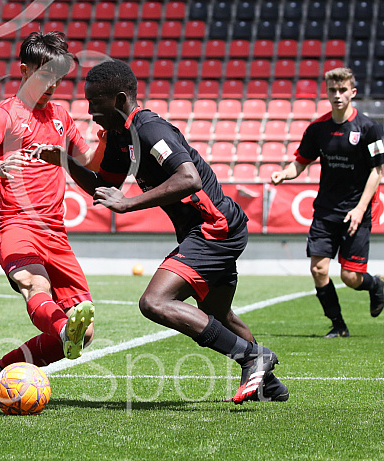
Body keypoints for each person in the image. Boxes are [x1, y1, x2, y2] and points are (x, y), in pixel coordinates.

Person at [34, 59, 287, 403]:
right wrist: (66, 162)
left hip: (214, 229)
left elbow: (188, 178)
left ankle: (252, 358)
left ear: (121, 99)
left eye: (95, 102)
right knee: (217, 315)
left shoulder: (150, 129)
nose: (90, 111)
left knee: (154, 302)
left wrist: (128, 204)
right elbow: (103, 186)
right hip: (206, 231)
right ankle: (269, 385)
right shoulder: (120, 138)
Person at [0, 32, 96, 388]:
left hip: (57, 233)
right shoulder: (4, 115)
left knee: (85, 334)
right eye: (44, 76)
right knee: (33, 283)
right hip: (16, 225)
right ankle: (61, 328)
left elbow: (87, 160)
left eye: (58, 77)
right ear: (24, 71)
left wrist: (109, 139)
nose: (52, 85)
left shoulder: (61, 116)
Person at [271, 67, 384, 338]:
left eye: (343, 90)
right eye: (333, 90)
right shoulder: (317, 129)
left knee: (351, 277)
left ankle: (374, 284)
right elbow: (301, 161)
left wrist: (360, 208)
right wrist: (284, 174)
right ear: (327, 92)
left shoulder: (369, 128)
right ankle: (338, 325)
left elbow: (377, 170)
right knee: (319, 268)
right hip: (325, 210)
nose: (337, 95)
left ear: (352, 93)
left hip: (357, 210)